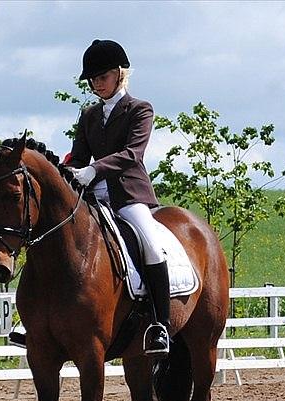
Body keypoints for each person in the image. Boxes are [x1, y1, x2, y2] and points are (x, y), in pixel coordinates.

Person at [69, 39, 170, 356]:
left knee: (152, 245)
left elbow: (132, 154)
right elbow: (78, 157)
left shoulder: (140, 109)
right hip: (92, 195)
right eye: (93, 79)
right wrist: (64, 170)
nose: (96, 84)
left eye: (102, 77)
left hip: (128, 194)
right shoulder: (88, 115)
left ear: (119, 74)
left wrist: (94, 169)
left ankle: (159, 325)